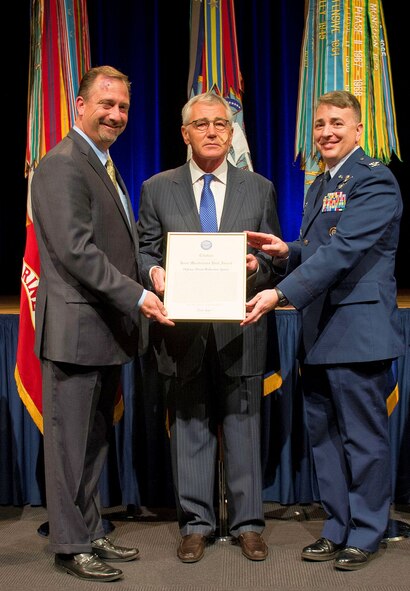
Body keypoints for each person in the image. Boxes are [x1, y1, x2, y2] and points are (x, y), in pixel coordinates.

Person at [242, 90, 404, 570]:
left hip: (357, 333)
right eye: (319, 125)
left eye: (337, 123)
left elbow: (343, 252)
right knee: (326, 438)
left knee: (363, 439)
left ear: (358, 129)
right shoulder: (320, 184)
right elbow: (318, 247)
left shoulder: (375, 182)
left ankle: (368, 532)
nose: (326, 132)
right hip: (320, 334)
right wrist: (285, 250)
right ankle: (337, 527)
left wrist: (280, 292)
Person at [31, 65, 174, 582]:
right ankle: (70, 545)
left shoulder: (103, 164)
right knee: (70, 445)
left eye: (123, 108)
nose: (115, 115)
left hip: (103, 331)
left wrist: (153, 272)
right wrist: (138, 294)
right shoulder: (61, 164)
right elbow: (76, 253)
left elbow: (119, 246)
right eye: (106, 104)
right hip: (75, 331)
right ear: (80, 106)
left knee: (92, 442)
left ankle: (89, 529)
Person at [137, 92, 282, 563]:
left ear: (231, 131)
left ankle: (248, 525)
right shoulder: (157, 187)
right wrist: (154, 273)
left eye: (221, 123)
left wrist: (253, 267)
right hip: (182, 332)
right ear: (185, 133)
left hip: (240, 329)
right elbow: (144, 249)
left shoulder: (258, 187)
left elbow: (272, 258)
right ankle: (196, 524)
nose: (214, 132)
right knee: (191, 429)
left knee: (243, 428)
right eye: (202, 124)